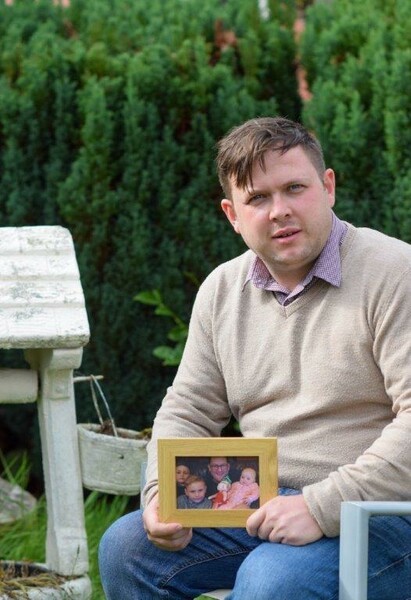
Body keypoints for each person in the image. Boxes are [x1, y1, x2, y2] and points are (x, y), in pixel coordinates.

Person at [99, 116, 411, 599]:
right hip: (258, 501)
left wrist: (320, 507)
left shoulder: (394, 273)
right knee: (127, 549)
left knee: (270, 579)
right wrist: (162, 494)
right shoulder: (222, 289)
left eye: (294, 188)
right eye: (258, 198)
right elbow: (189, 408)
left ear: (328, 186)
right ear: (232, 214)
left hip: (380, 512)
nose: (279, 210)